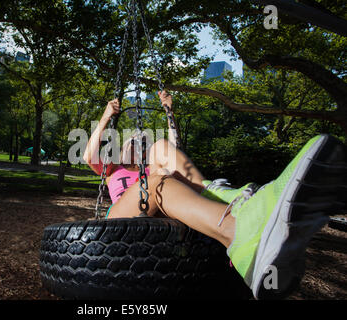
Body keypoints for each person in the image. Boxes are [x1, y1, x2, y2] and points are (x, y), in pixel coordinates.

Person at [83, 91, 346, 299]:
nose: (139, 145)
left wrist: (168, 111)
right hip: (119, 219)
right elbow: (88, 155)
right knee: (154, 182)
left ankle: (240, 209)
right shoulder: (112, 169)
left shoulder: (155, 167)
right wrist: (106, 115)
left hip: (162, 207)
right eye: (134, 142)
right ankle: (239, 230)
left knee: (165, 155)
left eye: (143, 143)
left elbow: (177, 153)